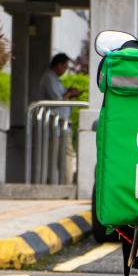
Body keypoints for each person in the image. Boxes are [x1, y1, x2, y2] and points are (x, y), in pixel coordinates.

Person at [39, 52, 80, 181]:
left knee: (58, 155)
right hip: (57, 125)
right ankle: (67, 185)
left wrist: (69, 93)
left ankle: (61, 183)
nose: (65, 70)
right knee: (64, 155)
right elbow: (57, 100)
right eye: (65, 67)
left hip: (60, 125)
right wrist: (68, 93)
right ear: (59, 65)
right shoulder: (49, 78)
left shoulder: (54, 79)